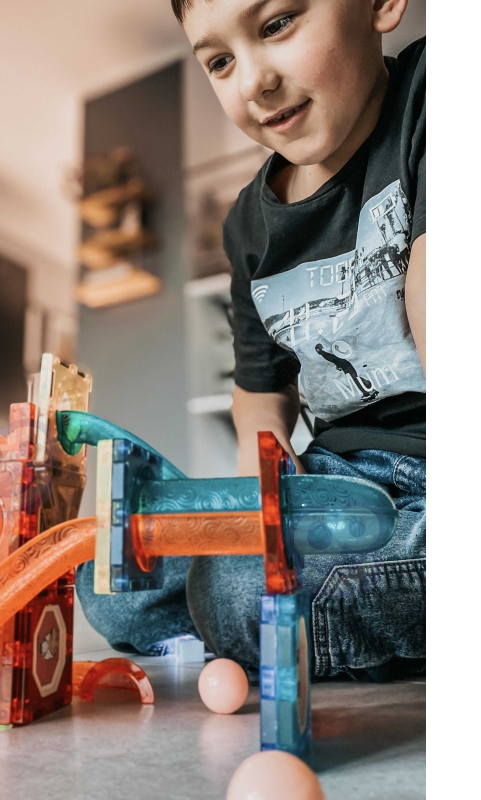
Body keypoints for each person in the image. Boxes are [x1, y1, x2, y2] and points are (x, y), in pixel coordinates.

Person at [76, 0, 425, 682]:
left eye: (277, 24)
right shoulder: (247, 225)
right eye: (219, 61)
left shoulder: (432, 97)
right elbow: (260, 394)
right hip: (337, 480)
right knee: (110, 580)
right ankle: (280, 612)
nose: (253, 81)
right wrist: (249, 514)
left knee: (237, 593)